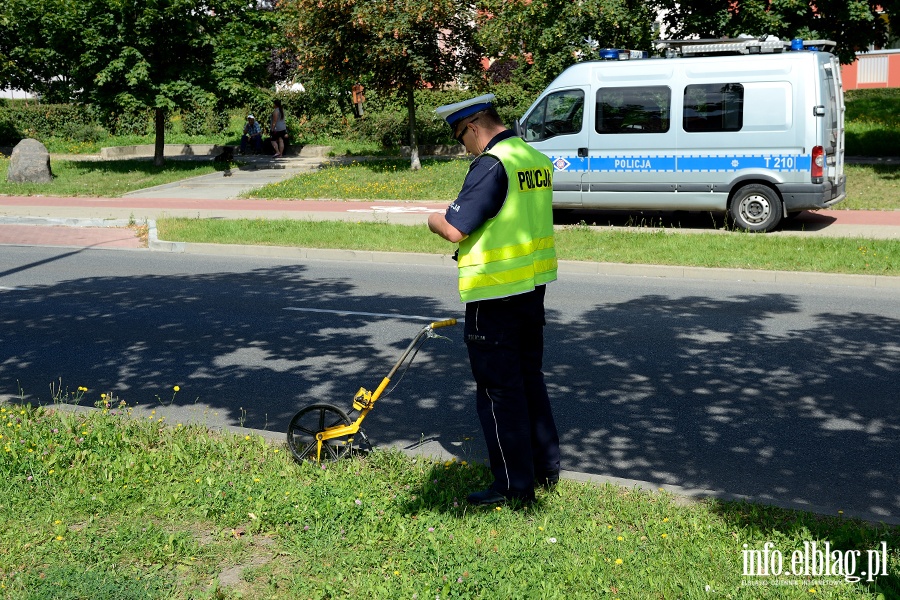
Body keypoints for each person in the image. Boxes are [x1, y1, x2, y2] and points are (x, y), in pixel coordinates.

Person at [428, 94, 561, 506]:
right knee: (529, 380)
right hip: (531, 287)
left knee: (498, 392)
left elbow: (454, 229)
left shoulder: (492, 164)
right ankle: (544, 469)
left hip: (495, 291)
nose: (462, 147)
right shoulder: (533, 158)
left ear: (473, 126)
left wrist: (431, 218)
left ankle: (511, 487)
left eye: (459, 137)